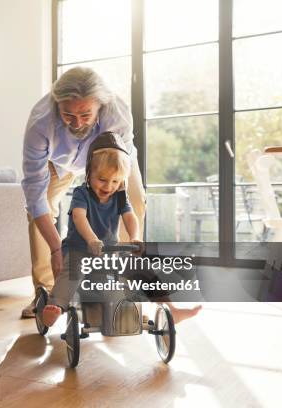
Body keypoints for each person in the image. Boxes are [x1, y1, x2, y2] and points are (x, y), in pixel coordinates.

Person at [41, 132, 201, 326]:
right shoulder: (81, 193)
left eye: (115, 181)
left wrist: (134, 237)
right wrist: (91, 239)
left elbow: (129, 216)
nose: (108, 186)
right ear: (89, 172)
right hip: (79, 250)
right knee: (71, 273)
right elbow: (79, 217)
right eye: (102, 179)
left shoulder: (118, 196)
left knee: (142, 270)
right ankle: (56, 306)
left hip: (109, 253)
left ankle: (170, 310)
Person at [21, 66, 144, 318]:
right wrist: (57, 249)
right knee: (38, 210)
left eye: (86, 115)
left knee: (135, 200)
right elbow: (34, 193)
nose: (77, 123)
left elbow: (121, 172)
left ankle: (119, 293)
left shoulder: (117, 113)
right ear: (57, 104)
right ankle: (47, 291)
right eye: (68, 115)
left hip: (110, 160)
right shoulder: (40, 123)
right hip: (59, 162)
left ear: (100, 105)